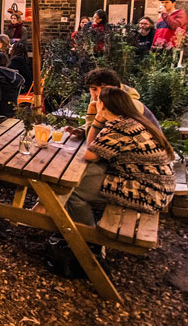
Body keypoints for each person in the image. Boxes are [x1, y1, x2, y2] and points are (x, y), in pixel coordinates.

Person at [65, 86, 175, 226]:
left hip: (150, 194)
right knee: (87, 175)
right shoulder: (131, 121)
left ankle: (86, 238)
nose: (93, 102)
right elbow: (95, 149)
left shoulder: (119, 127)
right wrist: (99, 118)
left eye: (97, 100)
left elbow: (90, 154)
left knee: (72, 189)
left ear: (103, 105)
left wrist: (97, 120)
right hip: (160, 186)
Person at [81, 68, 158, 144]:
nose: (98, 94)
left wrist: (91, 114)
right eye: (94, 89)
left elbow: (95, 143)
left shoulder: (127, 104)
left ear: (116, 88)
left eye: (104, 89)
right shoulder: (101, 100)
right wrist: (83, 129)